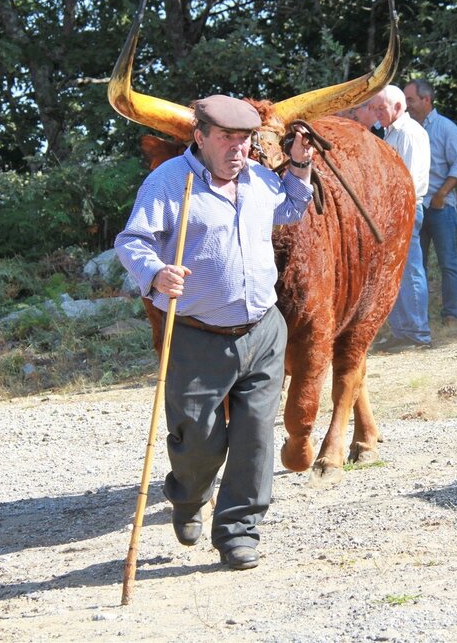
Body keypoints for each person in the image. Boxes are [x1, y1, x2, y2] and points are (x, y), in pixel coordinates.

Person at [114, 95, 314, 571]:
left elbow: (288, 210)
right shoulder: (169, 183)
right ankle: (187, 495)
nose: (238, 149)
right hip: (198, 335)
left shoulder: (260, 179)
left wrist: (301, 167)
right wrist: (157, 274)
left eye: (244, 139)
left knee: (256, 439)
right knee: (199, 438)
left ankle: (239, 532)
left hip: (263, 331)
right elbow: (132, 240)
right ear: (200, 137)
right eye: (227, 138)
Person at [368, 84, 432, 350]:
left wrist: (393, 211)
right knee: (394, 273)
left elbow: (410, 180)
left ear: (397, 107)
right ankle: (402, 331)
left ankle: (417, 333)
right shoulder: (390, 133)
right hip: (392, 210)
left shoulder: (408, 133)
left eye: (380, 108)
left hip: (404, 209)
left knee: (410, 269)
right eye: (373, 109)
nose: (376, 113)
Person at [403, 79, 457, 326]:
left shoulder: (446, 128)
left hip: (441, 208)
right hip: (416, 207)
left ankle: (451, 314)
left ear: (426, 100)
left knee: (448, 262)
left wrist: (440, 195)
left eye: (411, 100)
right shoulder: (406, 130)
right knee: (417, 266)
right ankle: (421, 318)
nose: (407, 106)